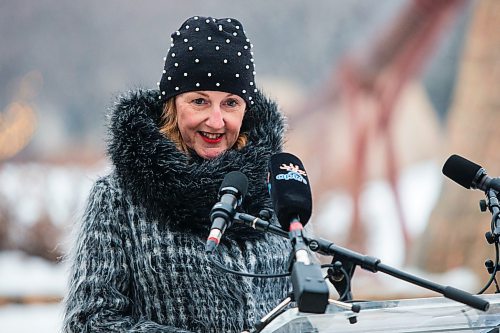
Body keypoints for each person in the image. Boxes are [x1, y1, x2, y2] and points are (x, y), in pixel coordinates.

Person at [63, 15, 291, 332]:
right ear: (172, 104)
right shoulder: (119, 198)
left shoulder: (275, 189)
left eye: (230, 103)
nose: (216, 120)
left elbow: (303, 308)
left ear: (246, 109)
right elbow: (89, 321)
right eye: (199, 101)